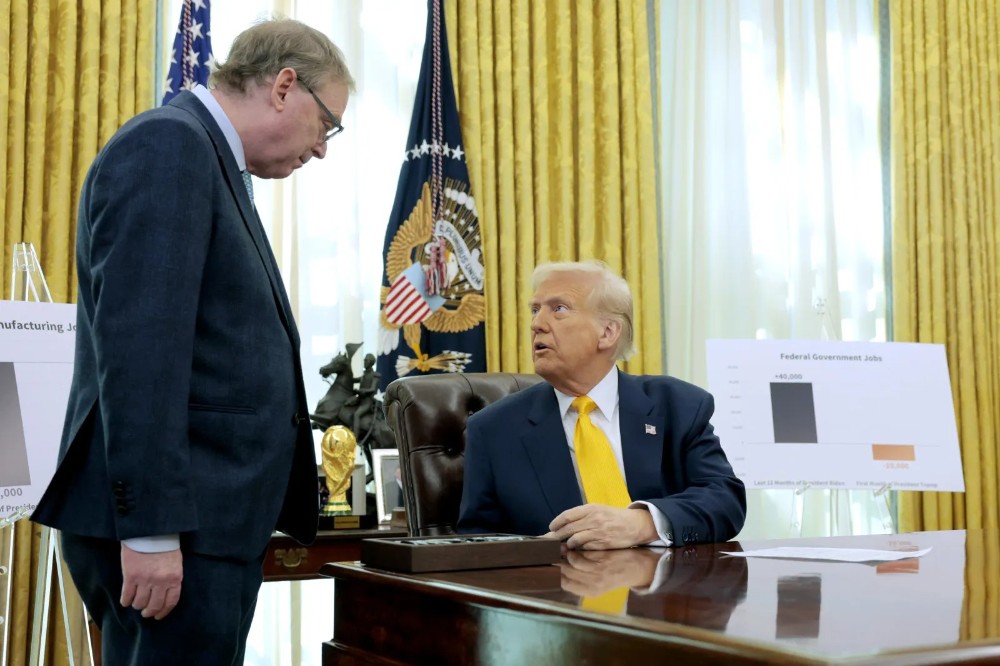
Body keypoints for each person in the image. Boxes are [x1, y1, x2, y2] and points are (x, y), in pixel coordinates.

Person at [31, 19, 354, 665]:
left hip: (206, 526)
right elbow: (141, 355)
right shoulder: (170, 145)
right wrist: (151, 531)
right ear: (284, 86)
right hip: (177, 529)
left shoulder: (206, 157)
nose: (322, 149)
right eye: (327, 124)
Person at [457, 260, 746, 549]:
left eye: (559, 309)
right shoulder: (494, 430)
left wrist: (643, 524)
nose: (537, 324)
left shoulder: (678, 405)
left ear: (608, 332)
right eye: (535, 310)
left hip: (665, 576)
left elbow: (725, 499)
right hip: (557, 577)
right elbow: (477, 544)